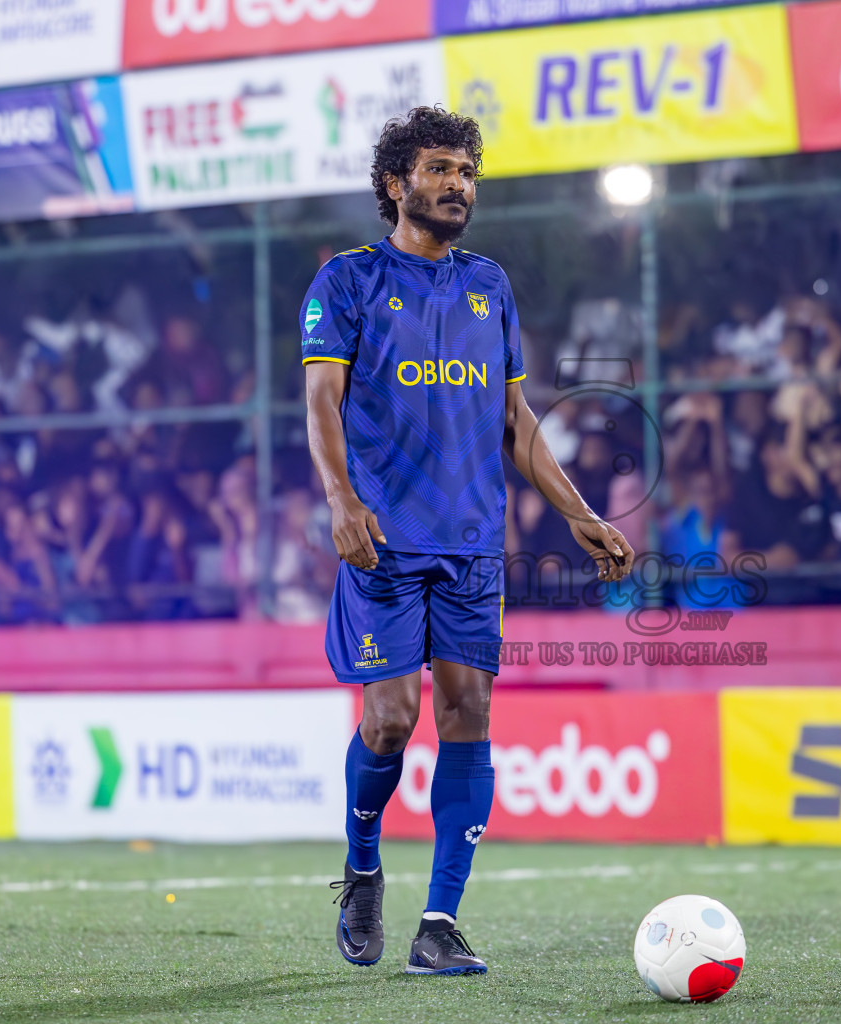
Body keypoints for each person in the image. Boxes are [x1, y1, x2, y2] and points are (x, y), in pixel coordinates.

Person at [302, 106, 632, 976]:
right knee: (390, 719)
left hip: (471, 545)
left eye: (468, 172)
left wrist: (578, 510)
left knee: (468, 714)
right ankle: (363, 861)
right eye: (442, 169)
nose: (459, 186)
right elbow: (322, 403)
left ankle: (439, 922)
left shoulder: (489, 285)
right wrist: (340, 497)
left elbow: (515, 419)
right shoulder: (346, 284)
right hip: (381, 540)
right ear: (394, 184)